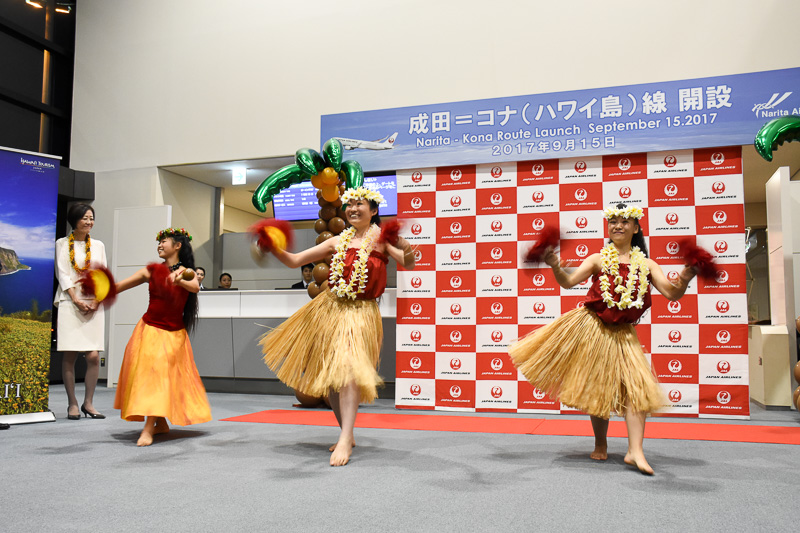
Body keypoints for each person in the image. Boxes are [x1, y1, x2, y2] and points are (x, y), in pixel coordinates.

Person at [509, 203, 697, 475]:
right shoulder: (598, 259)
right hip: (593, 327)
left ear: (635, 227)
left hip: (624, 334)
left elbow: (671, 294)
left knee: (638, 388)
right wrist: (554, 266)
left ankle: (636, 451)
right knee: (599, 387)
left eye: (624, 221)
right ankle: (601, 441)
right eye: (613, 222)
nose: (617, 226)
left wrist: (685, 279)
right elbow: (569, 282)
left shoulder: (647, 264)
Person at [259, 187, 415, 466]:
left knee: (349, 372)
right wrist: (273, 247)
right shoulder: (336, 241)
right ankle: (346, 431)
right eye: (350, 205)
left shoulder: (381, 239)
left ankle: (346, 438)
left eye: (360, 204)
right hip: (329, 309)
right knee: (332, 375)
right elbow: (295, 260)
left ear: (374, 210)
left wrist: (406, 248)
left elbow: (409, 263)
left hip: (361, 313)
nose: (353, 209)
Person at [113, 228, 211, 446]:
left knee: (163, 378)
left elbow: (195, 287)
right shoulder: (151, 271)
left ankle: (157, 424)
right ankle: (151, 426)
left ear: (177, 246)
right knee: (153, 376)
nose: (159, 245)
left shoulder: (188, 272)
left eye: (163, 241)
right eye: (158, 242)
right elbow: (120, 286)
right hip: (149, 329)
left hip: (174, 334)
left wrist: (179, 281)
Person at [54, 203, 106, 420]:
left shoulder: (98, 245)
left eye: (91, 218)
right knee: (70, 353)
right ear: (74, 220)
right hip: (69, 300)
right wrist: (75, 299)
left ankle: (89, 403)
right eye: (84, 218)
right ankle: (72, 403)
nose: (89, 221)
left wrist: (95, 301)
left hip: (93, 303)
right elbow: (62, 272)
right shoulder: (62, 243)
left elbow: (102, 274)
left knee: (93, 356)